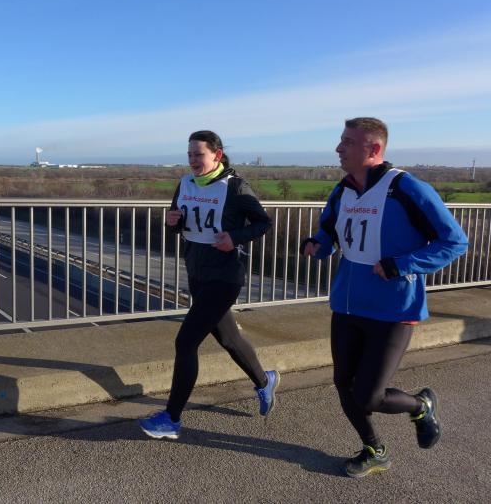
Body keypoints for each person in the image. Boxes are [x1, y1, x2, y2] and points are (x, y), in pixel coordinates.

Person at [302, 117, 468, 478]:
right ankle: (374, 450)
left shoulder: (407, 188)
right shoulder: (342, 190)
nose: (338, 148)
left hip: (393, 309)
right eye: (341, 140)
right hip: (347, 305)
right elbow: (329, 233)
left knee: (369, 396)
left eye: (348, 142)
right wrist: (317, 245)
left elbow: (454, 242)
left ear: (374, 149)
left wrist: (402, 264)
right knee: (343, 384)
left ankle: (420, 406)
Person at [139, 130, 279, 440]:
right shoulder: (185, 184)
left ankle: (171, 419)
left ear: (217, 155)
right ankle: (264, 381)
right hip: (197, 273)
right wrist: (172, 223)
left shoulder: (235, 187)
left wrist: (235, 238)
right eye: (189, 154)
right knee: (229, 338)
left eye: (198, 154)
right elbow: (179, 223)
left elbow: (263, 223)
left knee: (186, 342)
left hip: (225, 276)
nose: (192, 160)